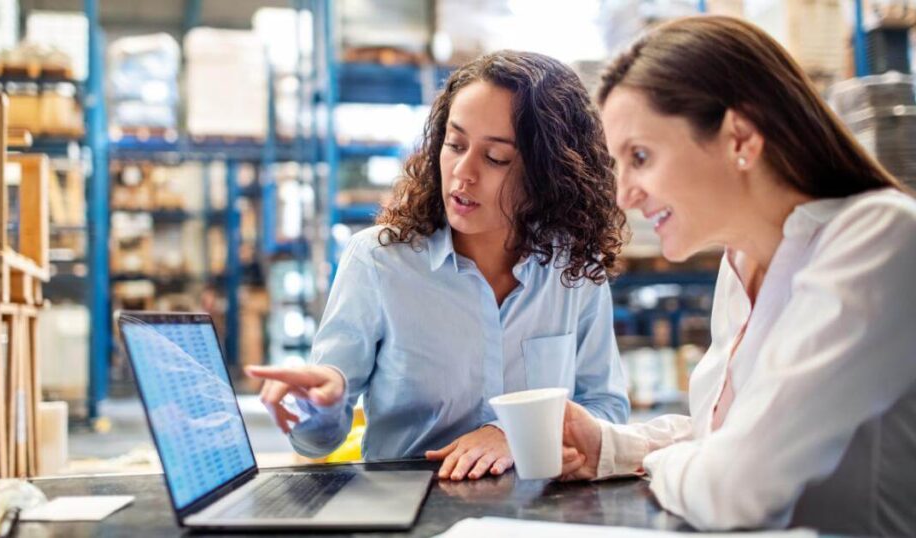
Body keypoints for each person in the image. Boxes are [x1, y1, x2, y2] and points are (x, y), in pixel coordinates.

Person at [557, 16, 916, 536]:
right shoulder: (742, 261)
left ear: (740, 138)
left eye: (640, 156)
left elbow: (734, 488)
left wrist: (659, 464)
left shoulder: (878, 237)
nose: (624, 195)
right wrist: (611, 447)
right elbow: (733, 433)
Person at [247, 50, 630, 481]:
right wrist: (321, 406)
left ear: (549, 173)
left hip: (539, 509)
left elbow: (607, 409)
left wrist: (512, 433)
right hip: (411, 508)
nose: (463, 173)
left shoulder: (574, 268)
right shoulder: (378, 261)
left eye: (496, 158)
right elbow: (317, 442)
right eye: (455, 144)